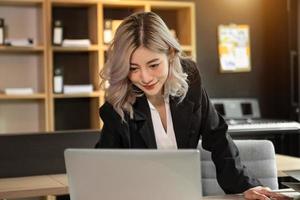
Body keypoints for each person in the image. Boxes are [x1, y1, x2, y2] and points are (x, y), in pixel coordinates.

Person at [95, 11, 290, 200]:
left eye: (154, 65)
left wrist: (247, 186)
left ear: (170, 54)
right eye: (133, 68)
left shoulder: (189, 78)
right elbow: (102, 167)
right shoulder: (118, 103)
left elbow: (217, 136)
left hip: (184, 193)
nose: (145, 77)